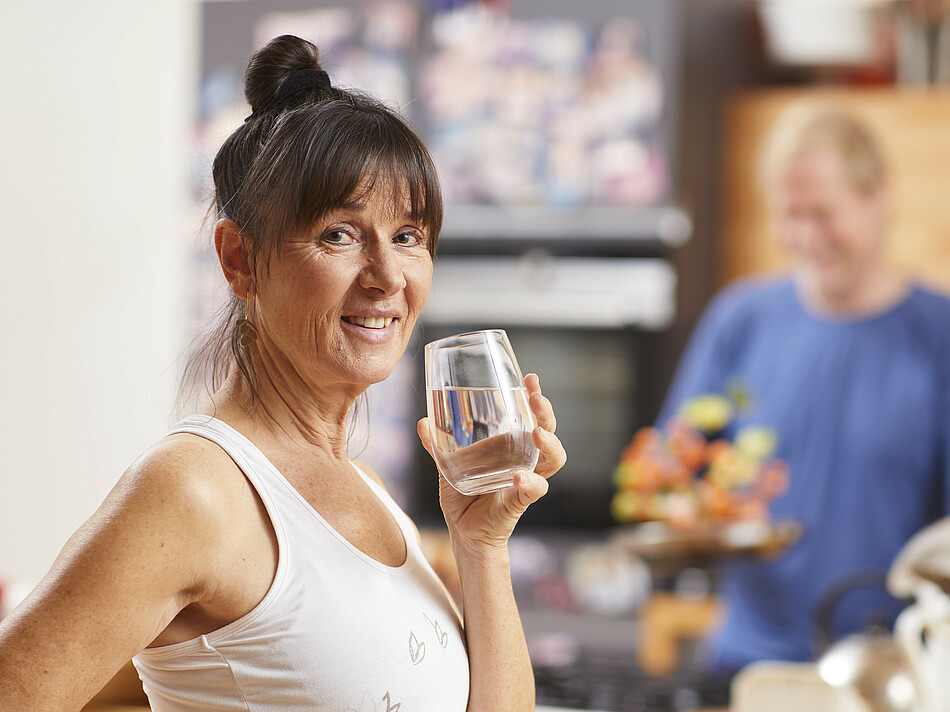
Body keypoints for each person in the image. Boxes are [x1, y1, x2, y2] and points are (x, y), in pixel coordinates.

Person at [0, 35, 566, 712]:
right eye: (339, 234)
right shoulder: (193, 491)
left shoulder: (369, 492)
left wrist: (483, 543)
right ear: (239, 259)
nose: (388, 277)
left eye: (409, 236)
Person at [659, 101, 950, 674]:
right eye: (789, 215)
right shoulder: (741, 321)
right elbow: (675, 473)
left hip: (893, 672)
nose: (804, 236)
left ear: (879, 196)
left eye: (823, 214)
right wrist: (686, 509)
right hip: (747, 661)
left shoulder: (937, 335)